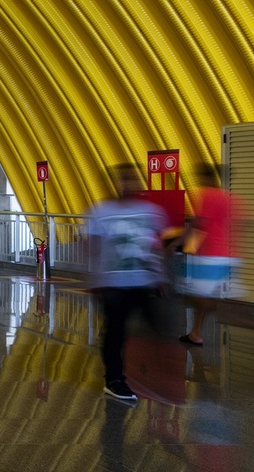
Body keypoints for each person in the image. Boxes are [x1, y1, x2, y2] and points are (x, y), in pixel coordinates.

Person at [86, 163, 172, 403]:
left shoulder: (152, 212)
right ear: (116, 183)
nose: (128, 185)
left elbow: (157, 245)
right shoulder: (100, 212)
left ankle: (159, 375)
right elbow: (93, 247)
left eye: (132, 180)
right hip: (114, 284)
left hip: (143, 283)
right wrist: (95, 278)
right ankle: (114, 380)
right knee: (115, 333)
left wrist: (161, 278)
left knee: (158, 328)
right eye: (124, 180)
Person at [179, 165, 244, 346]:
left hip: (211, 255)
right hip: (229, 254)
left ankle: (241, 317)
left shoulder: (206, 194)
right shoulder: (231, 198)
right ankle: (195, 334)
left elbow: (199, 223)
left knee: (195, 295)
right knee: (205, 296)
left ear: (205, 178)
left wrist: (178, 243)